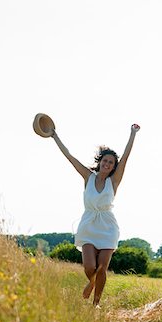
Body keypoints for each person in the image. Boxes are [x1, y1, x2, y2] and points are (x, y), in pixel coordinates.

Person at [50, 123, 140, 307]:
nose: (107, 164)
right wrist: (54, 136)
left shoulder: (114, 181)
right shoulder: (87, 177)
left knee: (102, 268)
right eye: (105, 161)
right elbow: (69, 157)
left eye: (111, 163)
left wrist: (132, 134)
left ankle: (96, 304)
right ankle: (91, 282)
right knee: (90, 267)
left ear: (114, 166)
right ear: (100, 162)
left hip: (108, 227)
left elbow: (126, 158)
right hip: (89, 225)